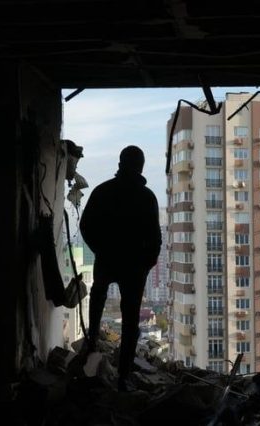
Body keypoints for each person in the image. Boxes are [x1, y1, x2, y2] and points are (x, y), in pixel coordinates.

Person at [80, 145, 161, 391]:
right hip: (134, 267)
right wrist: (145, 264)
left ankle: (90, 353)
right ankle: (123, 377)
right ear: (141, 167)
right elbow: (155, 239)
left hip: (108, 260)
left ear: (120, 164)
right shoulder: (147, 197)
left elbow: (86, 226)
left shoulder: (103, 191)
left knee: (97, 302)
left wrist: (100, 250)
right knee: (130, 322)